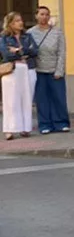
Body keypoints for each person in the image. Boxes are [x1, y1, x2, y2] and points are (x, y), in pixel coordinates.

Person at [27, 6, 70, 135]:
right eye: (41, 14)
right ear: (36, 16)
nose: (44, 17)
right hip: (38, 71)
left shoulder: (57, 32)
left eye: (46, 15)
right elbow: (29, 51)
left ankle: (61, 123)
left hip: (54, 70)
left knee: (59, 98)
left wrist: (59, 70)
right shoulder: (30, 33)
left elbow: (62, 52)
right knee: (42, 99)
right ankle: (45, 124)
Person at [1, 11, 38, 140]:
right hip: (12, 71)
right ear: (10, 24)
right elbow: (6, 54)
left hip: (28, 69)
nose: (21, 22)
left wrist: (18, 51)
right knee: (11, 100)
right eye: (17, 21)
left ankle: (25, 128)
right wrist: (21, 53)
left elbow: (35, 51)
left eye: (21, 20)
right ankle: (10, 129)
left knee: (27, 99)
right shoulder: (4, 38)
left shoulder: (27, 36)